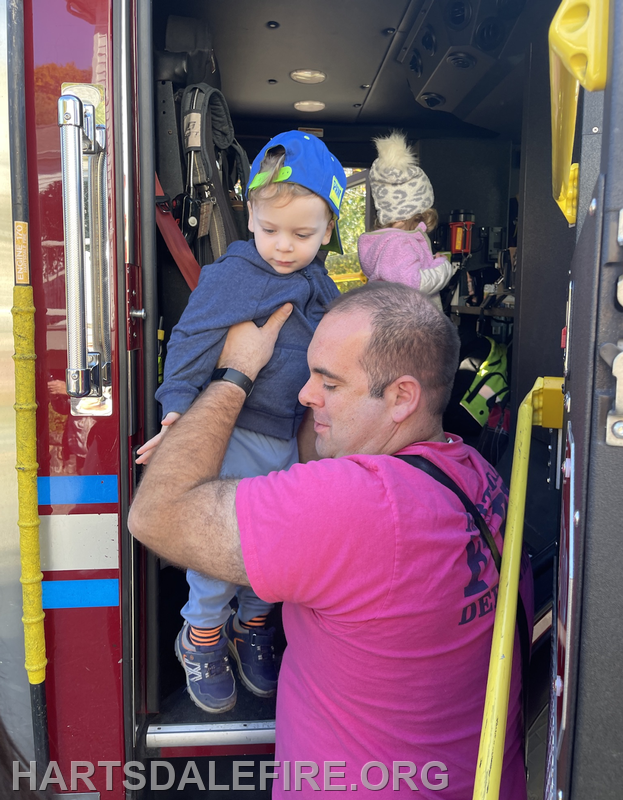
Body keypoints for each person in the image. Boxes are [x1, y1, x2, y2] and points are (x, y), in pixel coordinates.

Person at [129, 282, 532, 799]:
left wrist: (236, 375)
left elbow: (157, 515)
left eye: (329, 383)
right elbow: (319, 456)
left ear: (401, 397)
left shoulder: (360, 507)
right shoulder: (473, 472)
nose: (304, 393)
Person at [135, 130, 346, 713]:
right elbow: (191, 339)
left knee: (277, 544)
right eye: (269, 228)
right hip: (233, 434)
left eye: (303, 234)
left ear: (328, 230)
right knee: (221, 548)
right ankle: (201, 635)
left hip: (286, 434)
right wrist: (176, 410)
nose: (283, 246)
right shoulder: (234, 275)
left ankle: (253, 627)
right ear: (249, 214)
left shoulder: (321, 284)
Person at [357, 131, 455, 309]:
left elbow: (403, 275)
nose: (420, 228)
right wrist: (443, 267)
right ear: (408, 217)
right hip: (412, 329)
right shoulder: (399, 243)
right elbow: (414, 284)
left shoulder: (385, 244)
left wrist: (429, 262)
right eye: (419, 221)